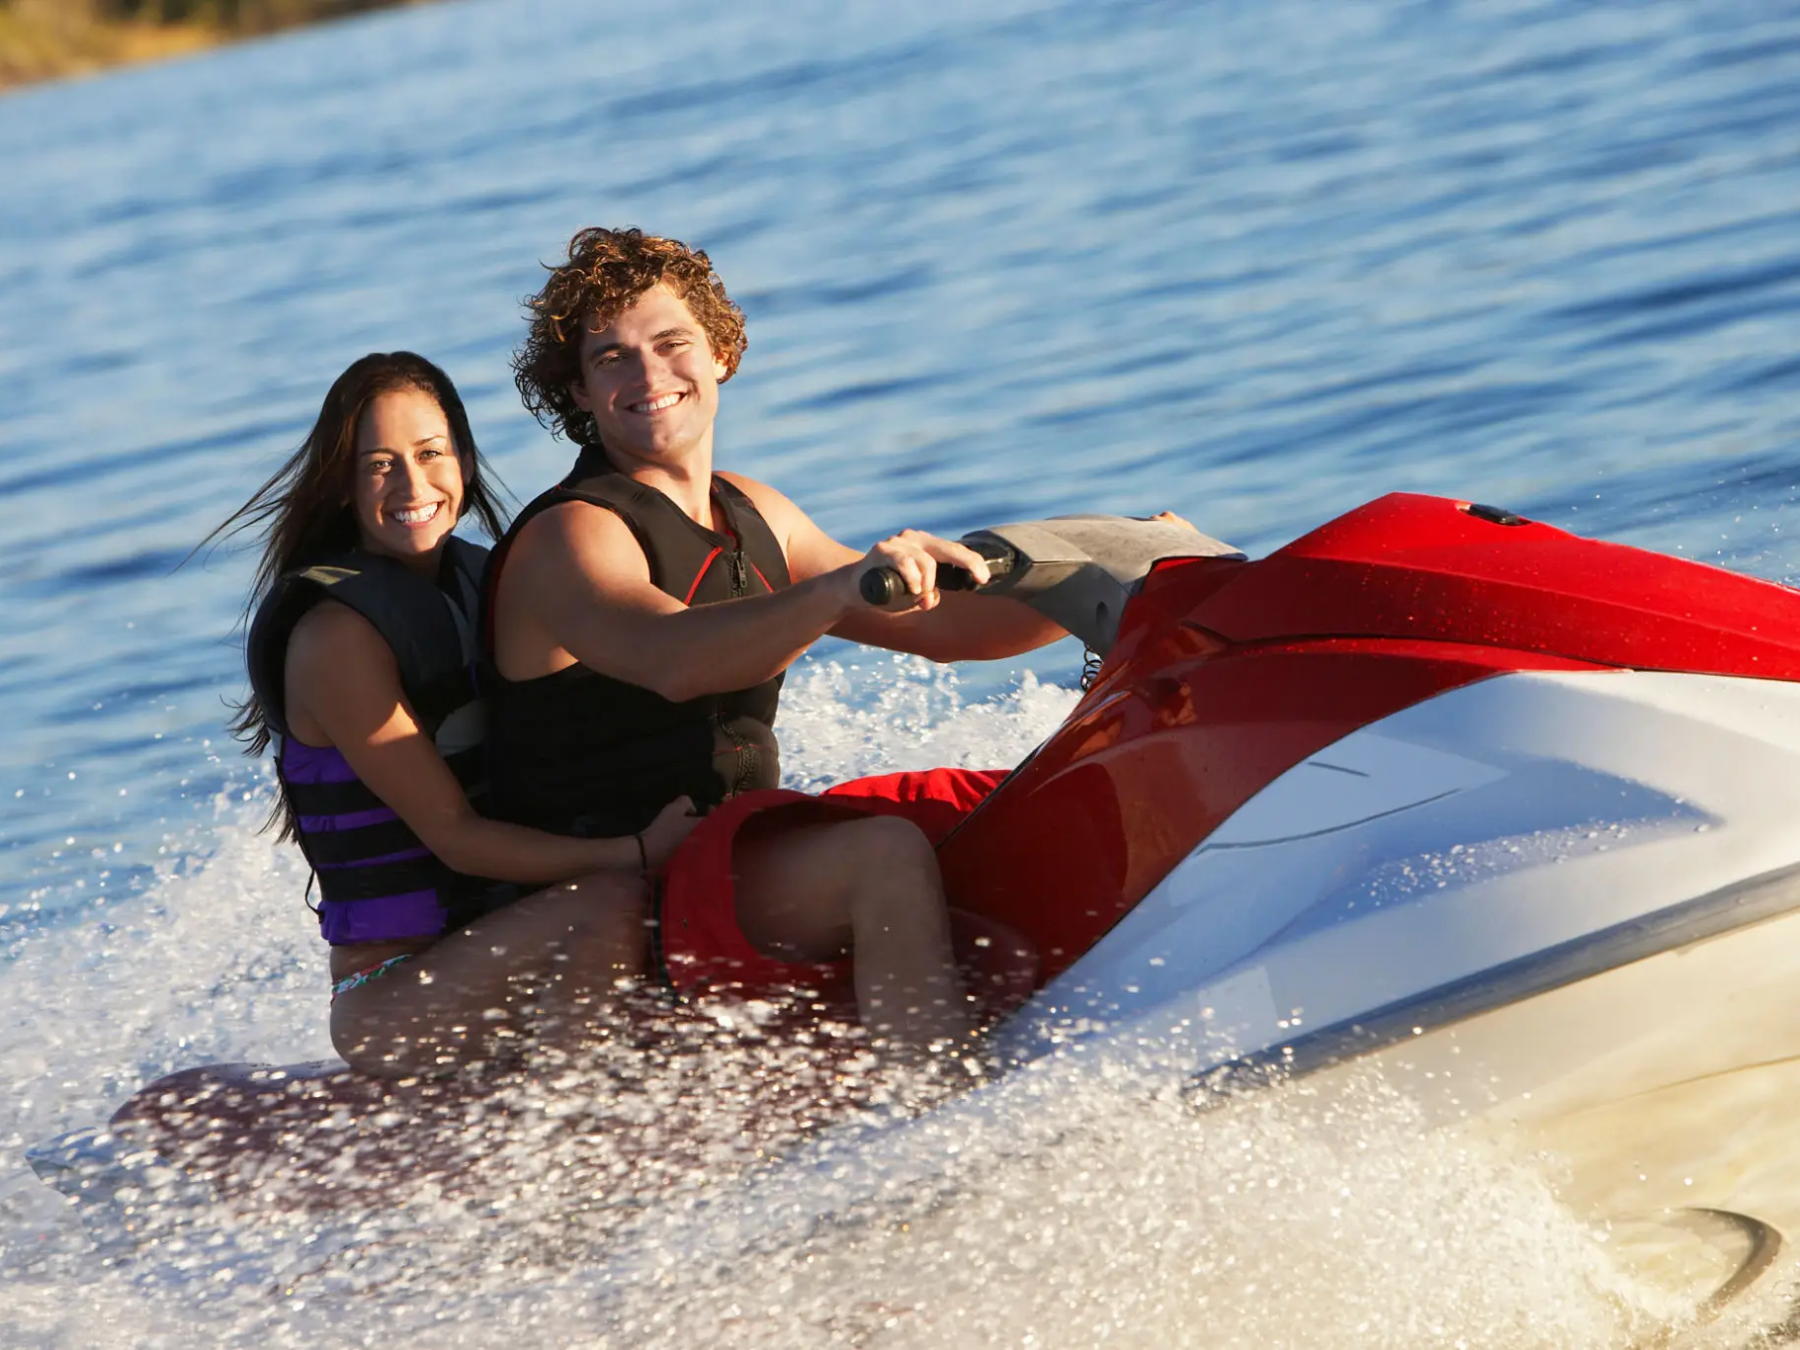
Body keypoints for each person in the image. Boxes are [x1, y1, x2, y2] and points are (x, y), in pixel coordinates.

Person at [485, 229, 1070, 1058]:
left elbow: (951, 628)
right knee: (881, 855)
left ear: (720, 353)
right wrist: (833, 590)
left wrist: (1116, 577)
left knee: (985, 805)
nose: (649, 376)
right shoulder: (571, 538)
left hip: (729, 861)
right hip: (626, 900)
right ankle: (940, 1120)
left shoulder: (754, 512)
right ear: (577, 392)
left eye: (670, 343)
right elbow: (676, 658)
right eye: (610, 358)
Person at [212, 351, 699, 1079]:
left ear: (465, 462)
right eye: (380, 465)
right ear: (343, 487)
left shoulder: (485, 580)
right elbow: (457, 839)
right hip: (394, 992)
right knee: (608, 902)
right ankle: (577, 1140)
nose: (413, 484)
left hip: (506, 937)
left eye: (431, 454)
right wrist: (636, 851)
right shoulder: (335, 638)